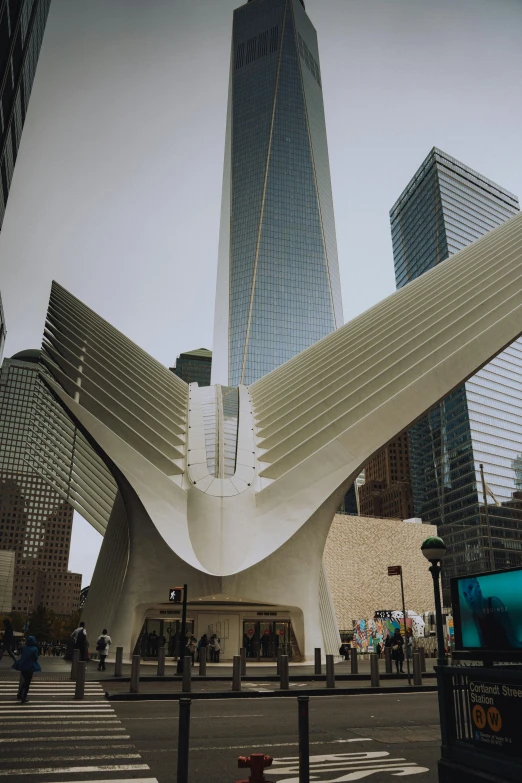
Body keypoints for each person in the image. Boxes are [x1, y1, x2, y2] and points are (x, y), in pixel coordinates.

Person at [461, 576, 522, 650]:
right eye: (465, 594)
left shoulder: (494, 603)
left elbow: (511, 637)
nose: (469, 597)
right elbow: (482, 642)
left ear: (478, 587)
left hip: (508, 653)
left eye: (470, 589)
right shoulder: (474, 615)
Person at [13, 635, 41, 703]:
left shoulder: (24, 648)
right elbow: (35, 658)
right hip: (30, 666)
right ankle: (24, 697)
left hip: (22, 665)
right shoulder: (34, 649)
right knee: (27, 682)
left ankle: (20, 694)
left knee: (25, 680)